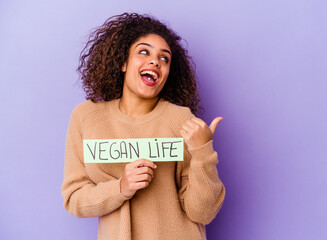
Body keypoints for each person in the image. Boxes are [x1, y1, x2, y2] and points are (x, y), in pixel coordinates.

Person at [61, 13, 225, 240]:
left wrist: (203, 151)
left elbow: (202, 212)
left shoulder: (181, 120)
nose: (155, 61)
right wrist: (121, 188)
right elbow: (74, 198)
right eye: (144, 52)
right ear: (123, 62)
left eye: (164, 58)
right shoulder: (86, 117)